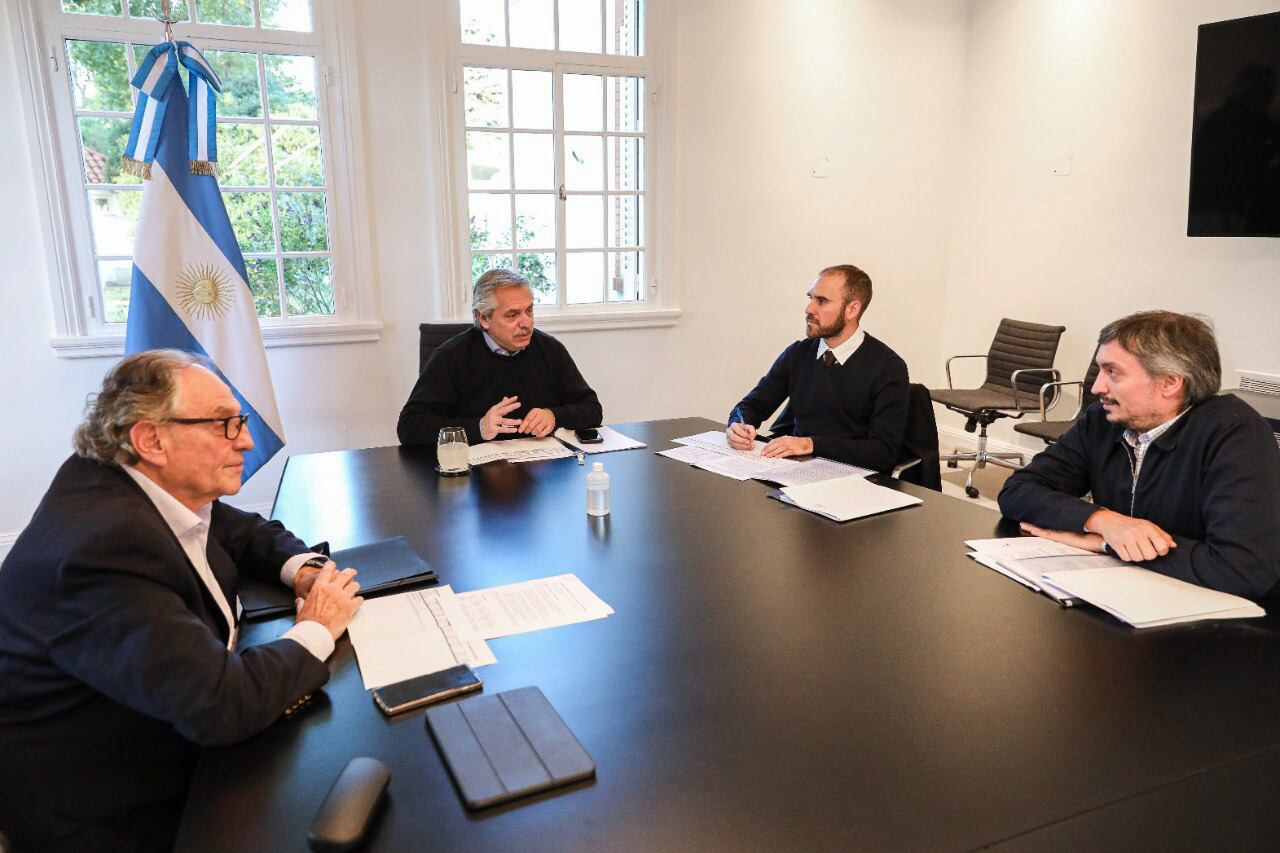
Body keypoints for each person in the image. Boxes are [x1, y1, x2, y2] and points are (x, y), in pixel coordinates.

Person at [0, 350, 364, 852]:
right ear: (151, 439)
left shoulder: (127, 479)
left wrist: (300, 567)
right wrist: (317, 627)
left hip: (169, 739)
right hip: (114, 806)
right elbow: (220, 705)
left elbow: (235, 526)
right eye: (225, 425)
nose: (248, 441)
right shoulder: (100, 549)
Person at [998, 310, 1280, 599]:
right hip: (1131, 593)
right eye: (1100, 370)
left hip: (1222, 620)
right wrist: (1102, 521)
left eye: (1113, 372)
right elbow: (1017, 491)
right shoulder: (1103, 421)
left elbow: (1243, 569)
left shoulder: (1236, 435)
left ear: (1170, 383)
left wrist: (1105, 544)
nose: (1097, 388)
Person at [725, 264, 910, 472]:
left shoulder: (888, 368)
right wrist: (738, 425)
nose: (809, 309)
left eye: (821, 301)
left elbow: (883, 453)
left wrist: (810, 444)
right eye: (810, 298)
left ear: (852, 309)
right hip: (794, 473)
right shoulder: (798, 353)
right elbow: (751, 405)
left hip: (855, 481)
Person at [398, 269, 603, 446]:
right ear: (484, 318)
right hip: (477, 479)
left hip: (540, 470)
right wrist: (478, 427)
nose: (526, 323)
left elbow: (592, 409)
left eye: (529, 311)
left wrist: (554, 416)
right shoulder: (451, 357)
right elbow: (411, 426)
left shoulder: (550, 349)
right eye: (512, 315)